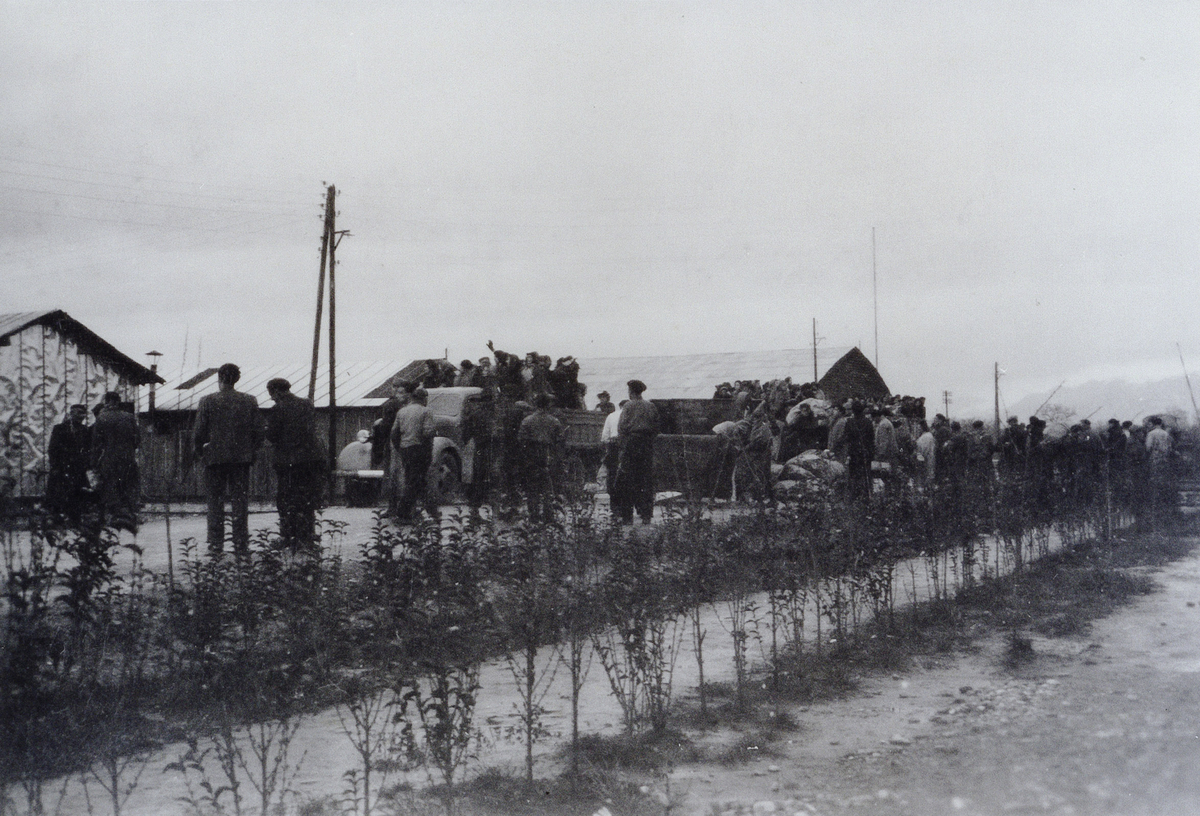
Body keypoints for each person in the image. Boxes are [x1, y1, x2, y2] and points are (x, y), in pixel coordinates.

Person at [194, 363, 263, 554]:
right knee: (240, 502)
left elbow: (199, 432)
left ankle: (216, 544)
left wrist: (201, 452)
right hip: (240, 460)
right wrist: (251, 452)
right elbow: (258, 432)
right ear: (237, 379)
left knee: (214, 502)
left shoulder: (207, 401)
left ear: (219, 378)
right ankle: (241, 544)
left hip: (214, 459)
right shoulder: (249, 400)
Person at [265, 378, 326, 553]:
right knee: (307, 497)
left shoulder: (278, 409)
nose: (272, 398)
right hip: (309, 459)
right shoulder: (307, 404)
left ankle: (288, 536)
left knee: (286, 499)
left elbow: (273, 436)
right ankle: (307, 537)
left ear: (276, 391)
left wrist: (267, 431)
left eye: (272, 394)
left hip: (288, 461)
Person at [89, 392, 140, 532]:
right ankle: (130, 517)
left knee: (111, 488)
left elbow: (96, 444)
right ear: (118, 401)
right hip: (128, 459)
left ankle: (115, 518)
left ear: (107, 401)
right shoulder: (129, 417)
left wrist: (93, 463)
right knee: (128, 487)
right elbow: (137, 440)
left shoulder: (101, 418)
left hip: (109, 459)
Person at [613, 379, 659, 524]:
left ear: (631, 392)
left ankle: (627, 517)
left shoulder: (628, 406)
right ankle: (646, 515)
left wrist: (623, 447)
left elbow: (622, 427)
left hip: (631, 443)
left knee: (627, 479)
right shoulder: (650, 406)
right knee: (646, 479)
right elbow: (656, 426)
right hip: (646, 444)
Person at [390, 386, 439, 522]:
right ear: (424, 399)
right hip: (420, 449)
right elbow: (428, 432)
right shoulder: (426, 411)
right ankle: (403, 512)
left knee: (416, 480)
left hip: (405, 449)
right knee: (416, 481)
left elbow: (394, 433)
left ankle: (431, 511)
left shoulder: (402, 412)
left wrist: (400, 448)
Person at [518, 392, 564, 522]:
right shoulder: (554, 421)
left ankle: (533, 517)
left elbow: (521, 441)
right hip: (547, 457)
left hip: (531, 458)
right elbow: (560, 441)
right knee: (548, 489)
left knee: (532, 489)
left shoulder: (527, 421)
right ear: (548, 404)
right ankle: (548, 517)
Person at [46, 403, 92, 524]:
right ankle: (56, 520)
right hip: (61, 467)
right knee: (58, 494)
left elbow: (88, 450)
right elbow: (52, 449)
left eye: (82, 414)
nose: (80, 416)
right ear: (71, 414)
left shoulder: (85, 430)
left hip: (77, 469)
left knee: (77, 494)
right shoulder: (59, 428)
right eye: (77, 413)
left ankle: (75, 520)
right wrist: (54, 466)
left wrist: (85, 464)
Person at [337, 429, 378, 507]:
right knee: (355, 481)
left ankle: (357, 501)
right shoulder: (355, 447)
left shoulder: (367, 447)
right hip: (358, 471)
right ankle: (357, 501)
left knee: (361, 482)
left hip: (362, 471)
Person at [843, 401, 874, 501]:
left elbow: (846, 438)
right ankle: (866, 496)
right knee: (866, 475)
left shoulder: (849, 422)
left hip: (854, 453)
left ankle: (854, 496)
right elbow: (871, 439)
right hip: (866, 452)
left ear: (853, 411)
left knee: (854, 475)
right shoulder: (868, 422)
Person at [600, 399, 625, 498]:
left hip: (613, 444)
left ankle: (612, 495)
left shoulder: (611, 415)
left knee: (612, 471)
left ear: (620, 406)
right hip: (625, 444)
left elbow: (605, 436)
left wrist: (607, 448)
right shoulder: (630, 415)